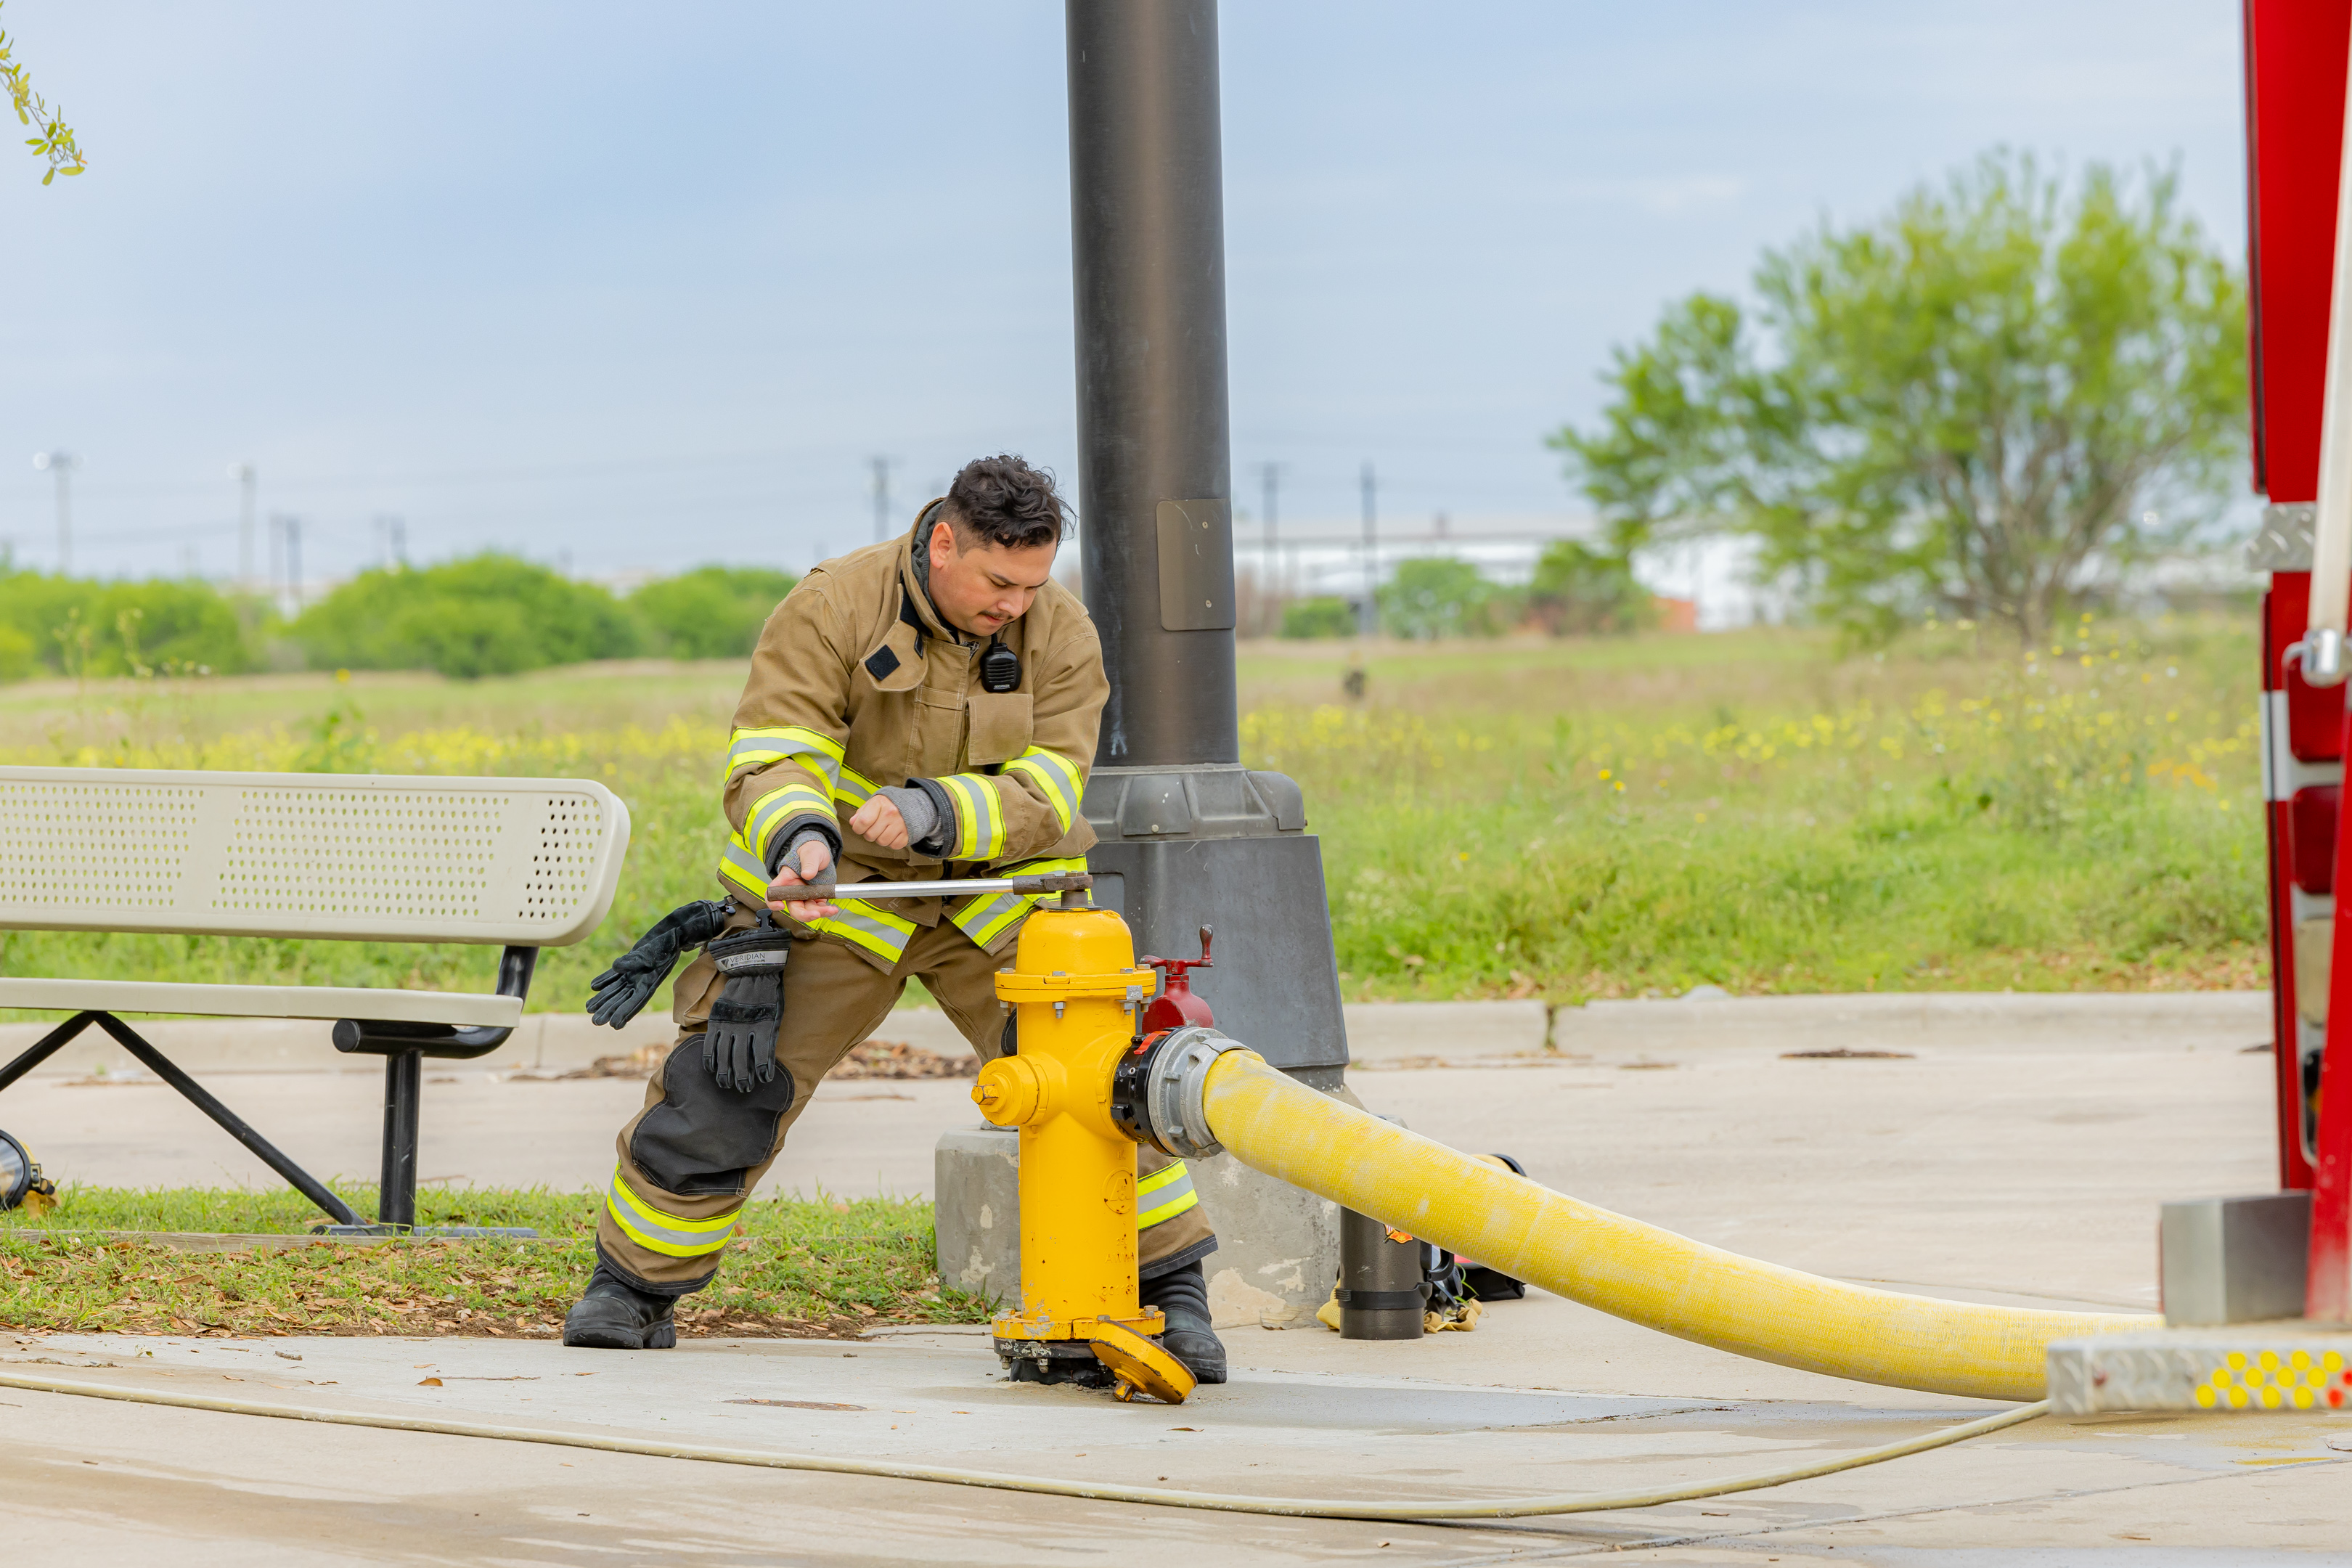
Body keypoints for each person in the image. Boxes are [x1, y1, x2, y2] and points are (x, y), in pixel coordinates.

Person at [562, 454, 1225, 1381]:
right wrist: (800, 837)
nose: (1015, 608)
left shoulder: (1061, 630)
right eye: (999, 583)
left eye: (1033, 585)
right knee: (723, 1090)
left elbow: (1053, 784)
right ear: (943, 542)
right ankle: (630, 1290)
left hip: (1006, 895)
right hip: (846, 894)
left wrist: (936, 812)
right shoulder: (834, 605)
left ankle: (1171, 1296)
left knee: (1098, 1093)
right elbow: (772, 753)